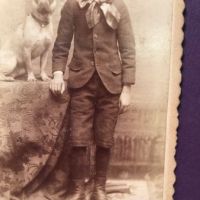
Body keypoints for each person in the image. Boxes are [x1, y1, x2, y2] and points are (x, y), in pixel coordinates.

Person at [50, 0, 135, 199]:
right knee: (78, 137)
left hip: (111, 84)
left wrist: (127, 88)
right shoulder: (72, 5)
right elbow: (61, 44)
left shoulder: (118, 6)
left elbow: (128, 48)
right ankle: (78, 188)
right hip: (81, 82)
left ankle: (99, 188)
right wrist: (57, 73)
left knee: (105, 139)